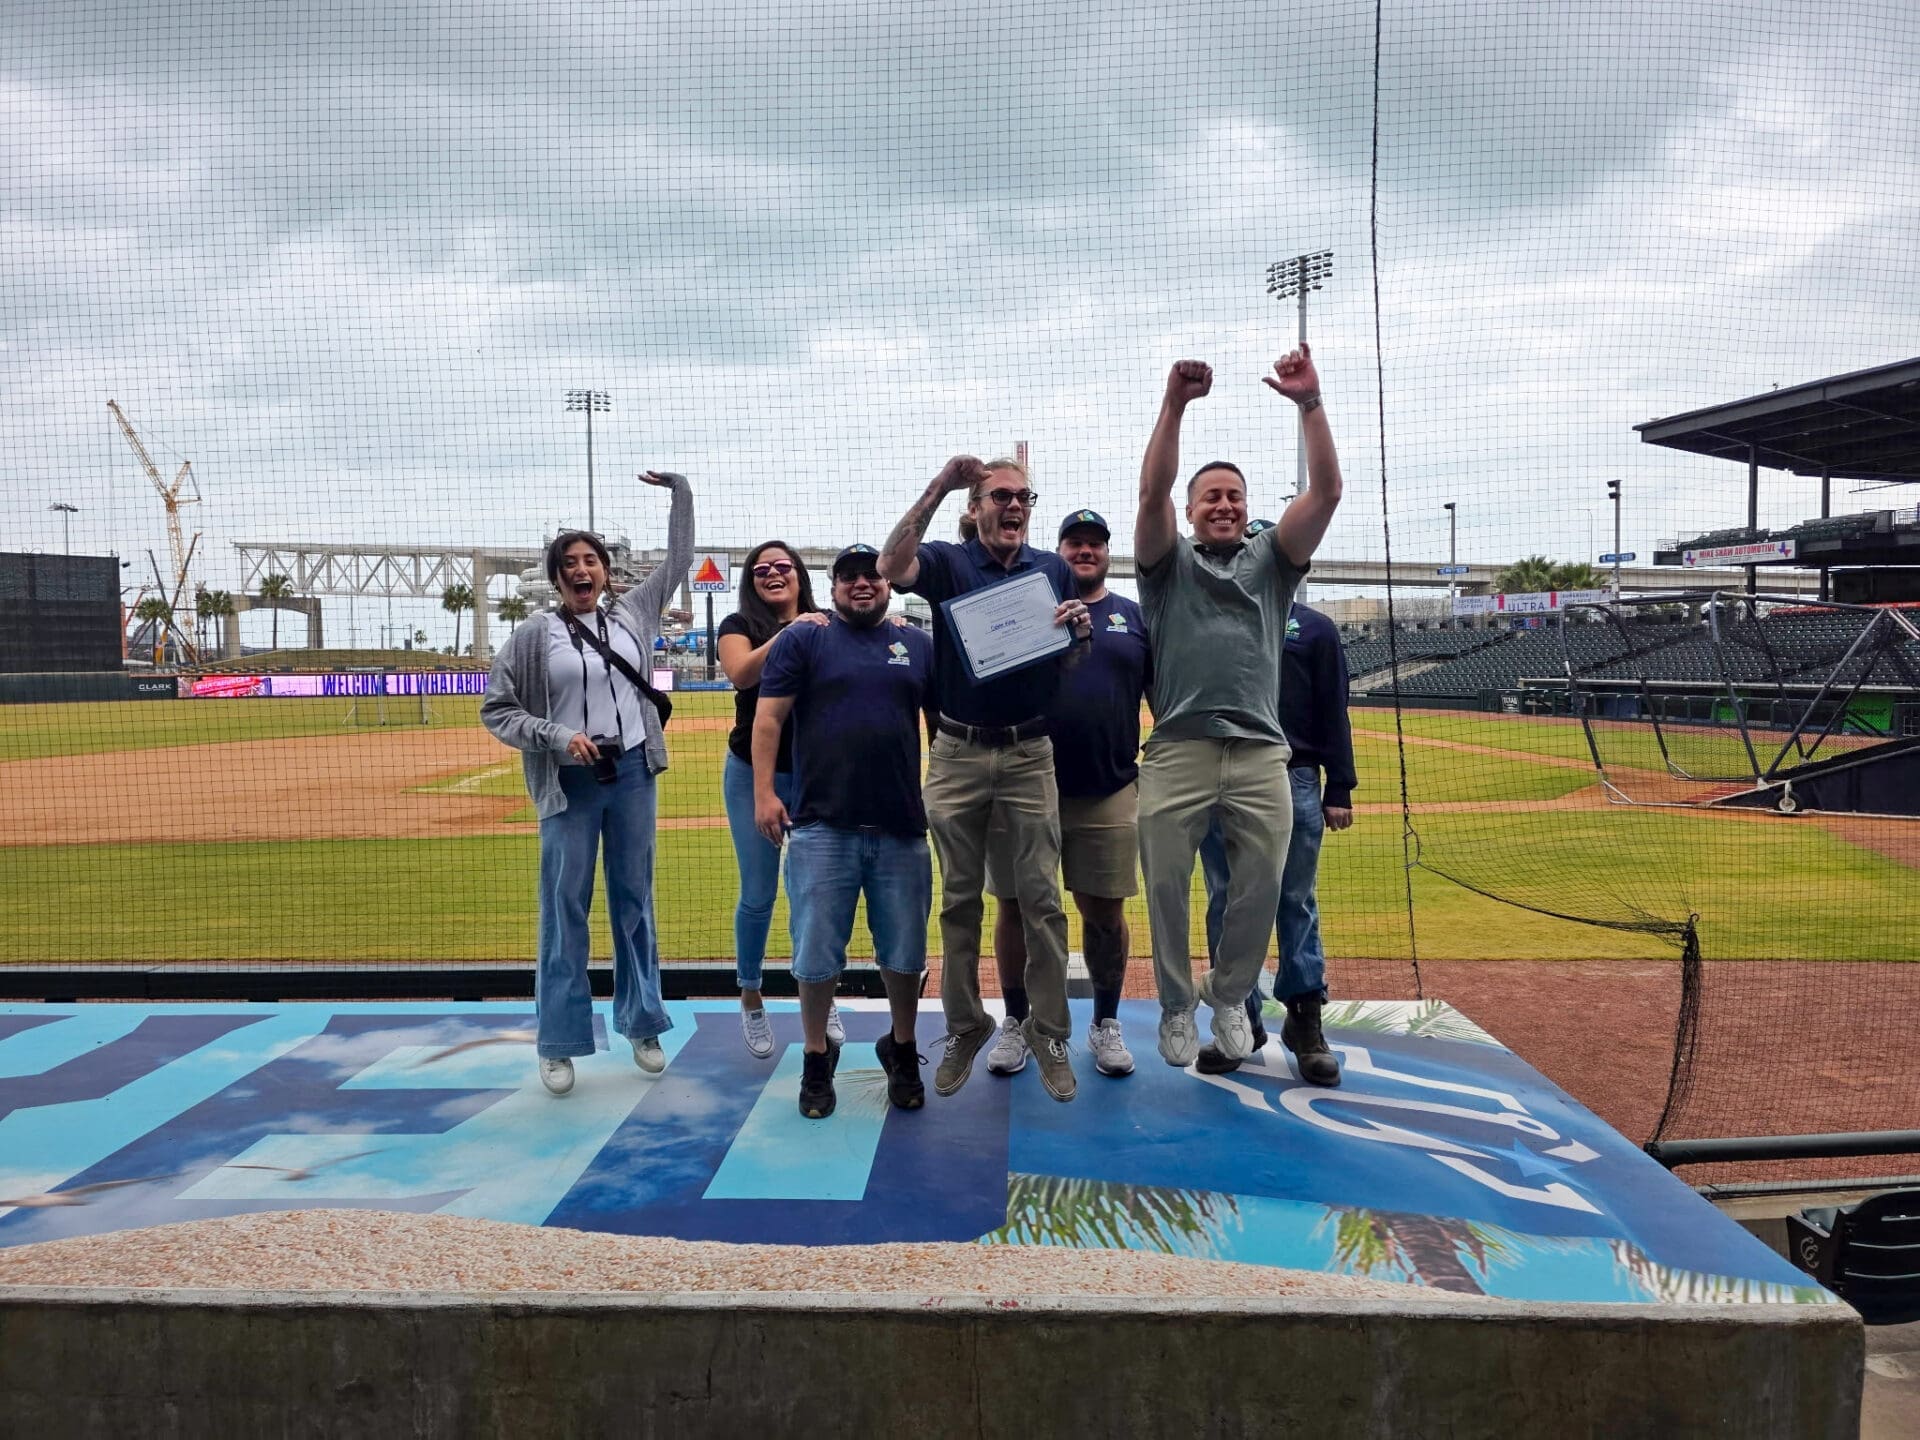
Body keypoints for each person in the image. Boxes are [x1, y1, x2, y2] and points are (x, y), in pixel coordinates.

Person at [1134, 345, 1343, 1067]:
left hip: (1261, 752)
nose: (1224, 505)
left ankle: (1229, 996)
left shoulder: (1271, 564)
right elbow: (1150, 493)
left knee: (1262, 884)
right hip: (1180, 748)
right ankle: (1172, 1005)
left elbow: (1326, 496)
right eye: (1210, 497)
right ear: (1191, 513)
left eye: (1235, 496)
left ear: (1248, 509)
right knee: (1163, 883)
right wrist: (1175, 406)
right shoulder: (1167, 568)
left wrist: (1310, 405)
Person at [878, 458, 1094, 1103]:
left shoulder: (1051, 569)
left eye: (1024, 495)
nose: (1015, 506)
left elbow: (1066, 660)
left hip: (1029, 750)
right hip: (958, 750)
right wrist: (941, 484)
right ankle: (968, 1025)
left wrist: (1077, 634)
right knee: (958, 901)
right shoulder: (948, 560)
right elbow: (891, 568)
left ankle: (1048, 1032)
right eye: (1000, 496)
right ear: (975, 508)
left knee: (1043, 903)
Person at [482, 471, 695, 1096]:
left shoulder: (633, 612)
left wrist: (680, 490)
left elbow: (681, 558)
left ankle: (643, 1024)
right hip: (568, 786)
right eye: (569, 563)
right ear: (556, 577)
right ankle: (558, 1041)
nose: (582, 570)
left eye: (591, 561)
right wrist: (552, 735)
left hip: (631, 773)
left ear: (606, 572)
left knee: (635, 903)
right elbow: (497, 709)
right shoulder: (531, 636)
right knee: (564, 909)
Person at [754, 545, 936, 1120]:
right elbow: (769, 717)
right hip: (821, 823)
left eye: (873, 577)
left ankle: (901, 1047)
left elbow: (941, 727)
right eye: (850, 577)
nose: (863, 584)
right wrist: (763, 792)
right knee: (814, 953)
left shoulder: (918, 645)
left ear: (888, 584)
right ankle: (815, 1053)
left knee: (905, 952)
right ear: (832, 587)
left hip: (901, 825)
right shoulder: (805, 639)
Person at [984, 508, 1151, 1080]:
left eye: (1095, 543)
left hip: (1107, 787)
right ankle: (1016, 1020)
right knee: (1015, 907)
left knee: (1105, 912)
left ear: (1107, 552)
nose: (1085, 551)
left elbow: (1165, 698)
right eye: (1074, 543)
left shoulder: (1133, 617)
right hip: (1026, 785)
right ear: (1058, 552)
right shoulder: (1027, 612)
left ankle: (1104, 1023)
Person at [1196, 553, 1357, 1084]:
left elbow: (1335, 707)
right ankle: (1236, 1019)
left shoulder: (1313, 628)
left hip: (1296, 775)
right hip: (1224, 771)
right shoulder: (1216, 621)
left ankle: (1304, 1019)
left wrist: (1342, 786)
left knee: (1295, 898)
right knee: (1226, 897)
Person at [716, 540, 845, 1058]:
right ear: (751, 579)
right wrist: (794, 630)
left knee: (814, 893)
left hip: (814, 775)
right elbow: (742, 672)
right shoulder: (737, 624)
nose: (773, 574)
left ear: (798, 575)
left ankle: (820, 993)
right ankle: (751, 997)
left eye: (783, 567)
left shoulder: (826, 623)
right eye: (762, 569)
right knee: (759, 891)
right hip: (753, 772)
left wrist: (894, 627)